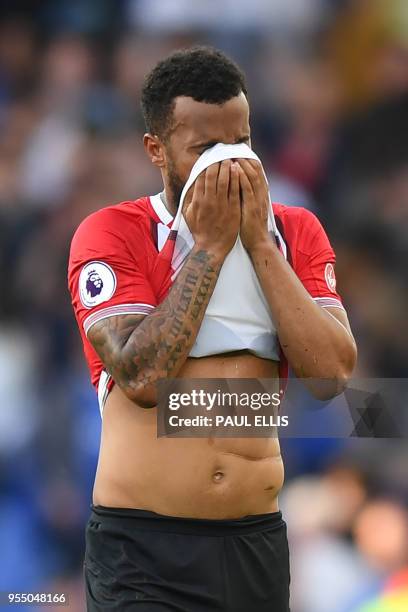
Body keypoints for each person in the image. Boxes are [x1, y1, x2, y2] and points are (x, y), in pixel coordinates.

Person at [68, 46, 357, 612]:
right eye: (204, 148)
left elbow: (332, 376)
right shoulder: (113, 233)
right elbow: (143, 378)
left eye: (241, 143)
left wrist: (257, 243)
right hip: (144, 553)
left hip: (256, 544)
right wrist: (209, 245)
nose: (227, 164)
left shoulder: (293, 230)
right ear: (157, 150)